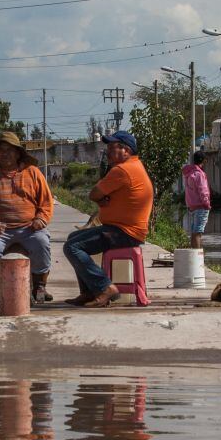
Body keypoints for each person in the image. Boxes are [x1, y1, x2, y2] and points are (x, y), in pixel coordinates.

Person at [63, 131, 153, 308]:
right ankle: (88, 291)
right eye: (108, 148)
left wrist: (100, 199)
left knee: (72, 247)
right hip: (125, 229)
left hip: (124, 232)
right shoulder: (135, 165)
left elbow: (94, 193)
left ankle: (105, 288)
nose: (108, 152)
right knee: (73, 238)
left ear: (125, 151)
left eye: (112, 148)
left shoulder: (122, 170)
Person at [0, 131, 55, 303]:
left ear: (18, 153)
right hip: (1, 230)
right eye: (1, 150)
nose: (5, 154)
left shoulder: (33, 173)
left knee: (42, 242)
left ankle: (40, 285)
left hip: (29, 228)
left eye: (10, 150)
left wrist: (40, 220)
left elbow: (46, 202)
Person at [182, 151, 211, 249]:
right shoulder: (199, 174)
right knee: (198, 233)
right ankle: (197, 257)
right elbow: (203, 191)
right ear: (203, 160)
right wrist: (207, 204)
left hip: (192, 207)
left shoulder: (189, 173)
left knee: (194, 232)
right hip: (201, 206)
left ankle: (194, 256)